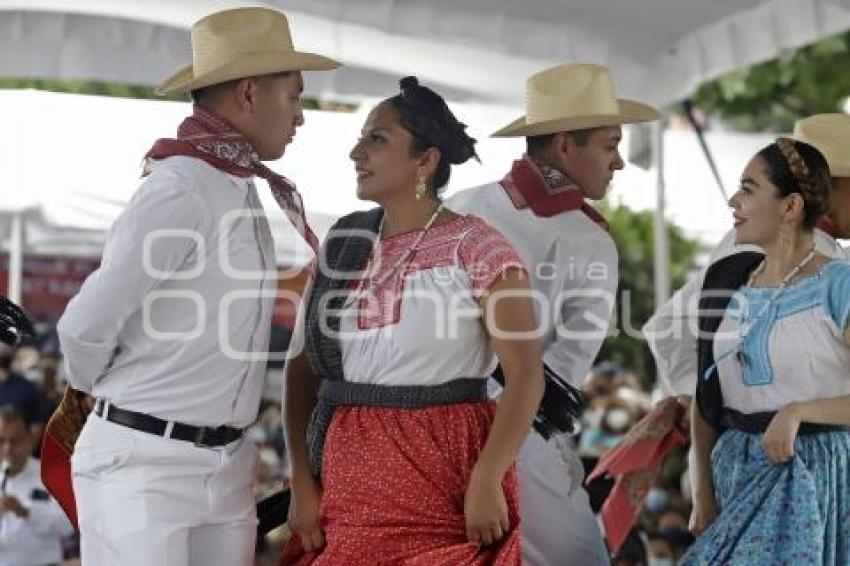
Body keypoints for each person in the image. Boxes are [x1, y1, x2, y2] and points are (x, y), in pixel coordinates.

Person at [55, 7, 339, 565]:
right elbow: (85, 323)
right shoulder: (182, 187)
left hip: (223, 464)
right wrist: (96, 392)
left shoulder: (233, 185)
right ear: (250, 93)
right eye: (296, 96)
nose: (301, 117)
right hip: (143, 465)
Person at [282, 77, 544, 564]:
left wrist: (488, 476)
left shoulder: (479, 248)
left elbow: (526, 377)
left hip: (446, 481)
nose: (356, 153)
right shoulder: (342, 244)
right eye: (362, 137)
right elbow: (303, 369)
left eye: (376, 139)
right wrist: (300, 478)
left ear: (426, 161)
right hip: (346, 485)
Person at [448, 62, 660, 564]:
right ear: (566, 145)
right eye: (610, 145)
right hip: (526, 438)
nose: (619, 163)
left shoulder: (460, 205)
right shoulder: (588, 239)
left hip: (438, 424)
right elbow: (565, 370)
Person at [685, 138, 850, 563]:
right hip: (734, 472)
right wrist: (702, 486)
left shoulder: (839, 284)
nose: (733, 200)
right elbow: (707, 396)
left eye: (748, 188)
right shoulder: (726, 280)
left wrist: (798, 411)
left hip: (810, 473)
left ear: (790, 206)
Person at [644, 113, 850, 399]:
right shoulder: (792, 249)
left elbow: (669, 326)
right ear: (831, 186)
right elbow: (670, 327)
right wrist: (707, 405)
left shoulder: (771, 239)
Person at [0, 405, 74, 566]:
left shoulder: (50, 476)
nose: (8, 449)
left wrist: (25, 512)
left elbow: (66, 526)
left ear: (29, 439)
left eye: (15, 441)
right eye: (1, 441)